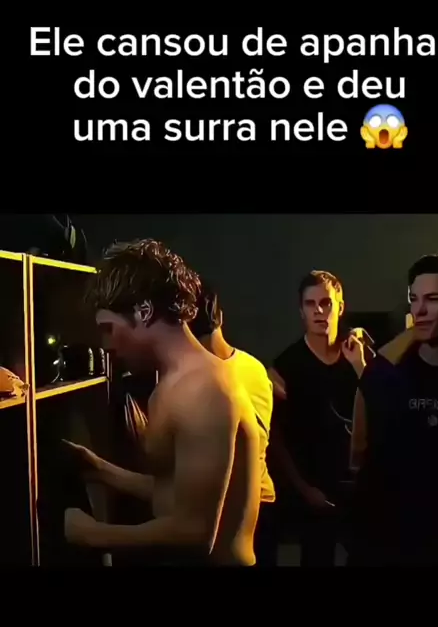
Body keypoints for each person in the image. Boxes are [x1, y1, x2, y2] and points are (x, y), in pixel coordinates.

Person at [64, 239, 261, 566]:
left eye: (108, 329)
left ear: (143, 312)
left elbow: (195, 533)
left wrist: (92, 534)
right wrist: (100, 469)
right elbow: (175, 494)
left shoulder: (204, 389)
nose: (106, 345)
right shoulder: (173, 383)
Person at [351, 253, 438, 565]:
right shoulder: (387, 375)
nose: (419, 310)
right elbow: (361, 456)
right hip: (388, 542)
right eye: (414, 299)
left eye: (433, 299)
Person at [268, 270, 371, 566]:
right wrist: (303, 489)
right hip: (313, 489)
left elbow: (382, 410)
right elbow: (276, 438)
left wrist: (362, 367)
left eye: (326, 303)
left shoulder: (357, 354)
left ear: (340, 306)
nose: (319, 311)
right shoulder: (287, 366)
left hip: (357, 486)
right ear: (301, 310)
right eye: (310, 304)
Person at [189, 283, 276, 565]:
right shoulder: (256, 367)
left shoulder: (199, 379)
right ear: (221, 317)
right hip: (263, 499)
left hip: (231, 511)